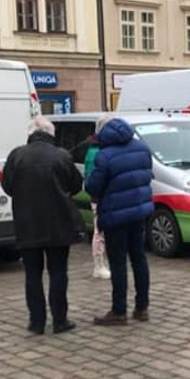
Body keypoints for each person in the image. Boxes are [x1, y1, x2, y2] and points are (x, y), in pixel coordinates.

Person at [1, 116, 84, 335]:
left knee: (32, 274)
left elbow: (7, 186)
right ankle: (60, 320)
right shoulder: (62, 155)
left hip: (27, 223)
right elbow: (76, 184)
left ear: (30, 134)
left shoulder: (16, 155)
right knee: (58, 272)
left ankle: (36, 322)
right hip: (59, 223)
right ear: (51, 133)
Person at [85, 116, 154, 326]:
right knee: (139, 258)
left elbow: (93, 187)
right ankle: (142, 307)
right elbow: (147, 176)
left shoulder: (104, 155)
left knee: (118, 263)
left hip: (115, 215)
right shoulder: (142, 147)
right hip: (139, 210)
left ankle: (119, 310)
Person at [82, 120, 111, 280]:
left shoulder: (100, 148)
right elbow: (92, 181)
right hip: (100, 198)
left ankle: (103, 263)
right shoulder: (95, 152)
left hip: (107, 196)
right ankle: (99, 265)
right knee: (100, 232)